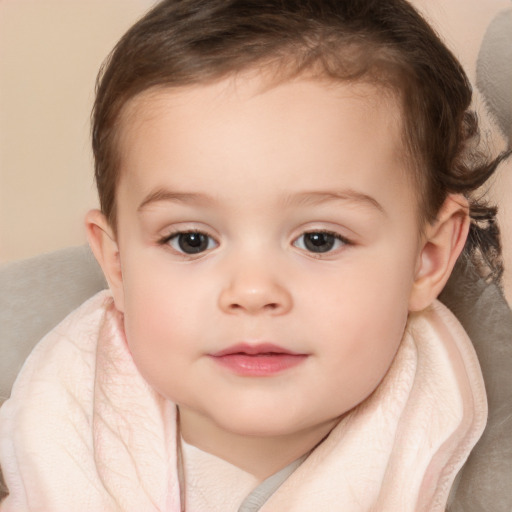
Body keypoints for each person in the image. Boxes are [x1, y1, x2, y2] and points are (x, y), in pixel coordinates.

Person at [0, 0, 508, 510]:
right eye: (191, 240)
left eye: (319, 240)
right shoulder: (54, 428)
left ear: (428, 256)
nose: (252, 291)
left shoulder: (482, 470)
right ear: (116, 263)